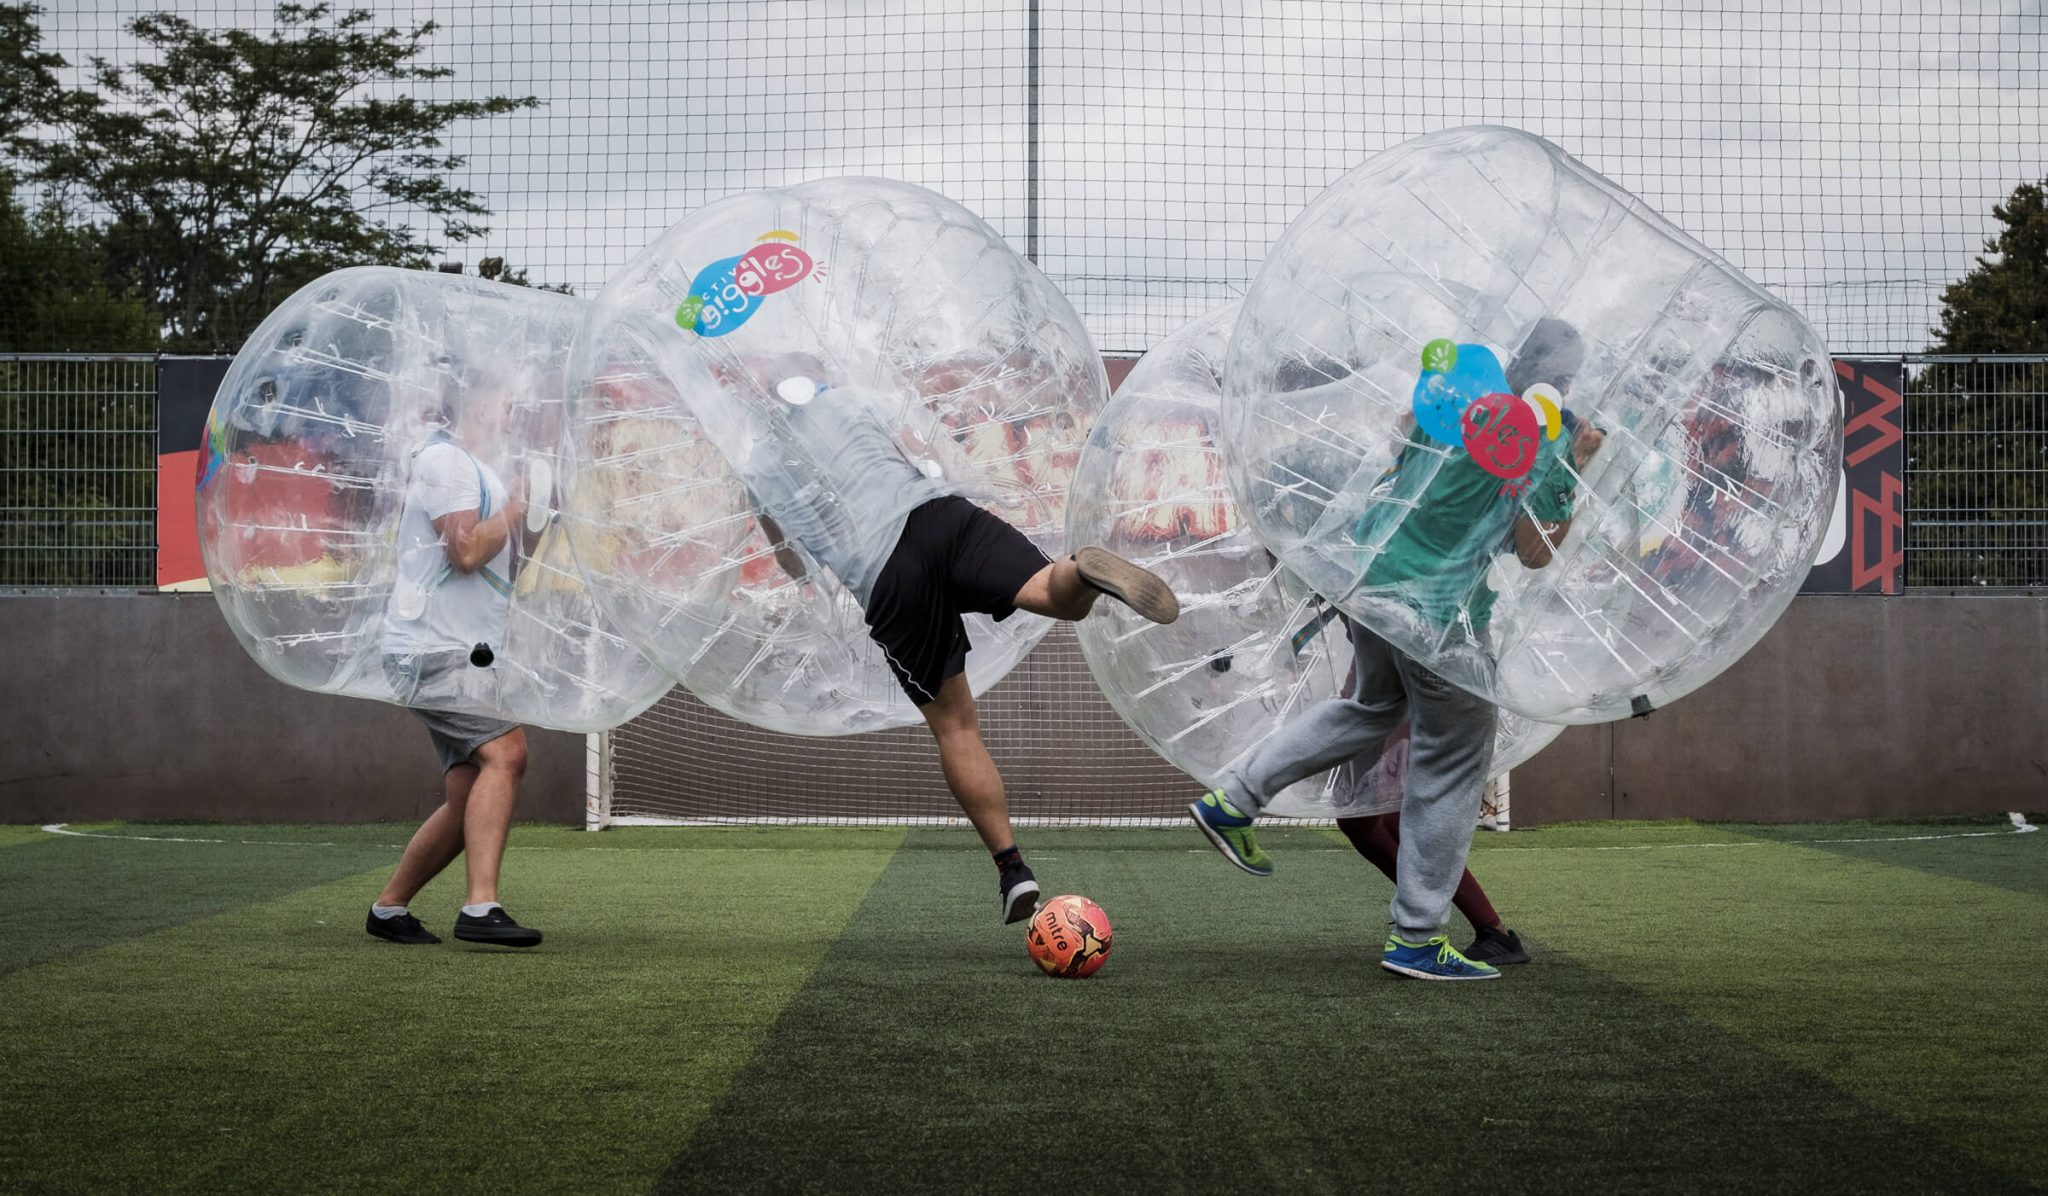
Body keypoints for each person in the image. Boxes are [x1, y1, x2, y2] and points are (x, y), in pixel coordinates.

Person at [1189, 319, 1599, 980]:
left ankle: (1233, 799)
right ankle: (1416, 938)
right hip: (1438, 616)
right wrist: (1572, 463)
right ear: (1565, 379)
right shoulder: (1542, 426)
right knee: (1451, 764)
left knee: (1365, 707)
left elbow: (1402, 458)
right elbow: (1533, 551)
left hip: (1371, 586)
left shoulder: (1458, 397)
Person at [745, 365, 1181, 924]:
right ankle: (1084, 572)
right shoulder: (853, 399)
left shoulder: (759, 466)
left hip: (887, 577)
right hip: (942, 518)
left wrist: (807, 570)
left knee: (956, 725)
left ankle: (1013, 870)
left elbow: (791, 556)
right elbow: (926, 450)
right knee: (1051, 589)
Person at [364, 386, 543, 949]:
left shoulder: (481, 469)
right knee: (508, 753)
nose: (512, 408)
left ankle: (388, 910)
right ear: (470, 402)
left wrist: (532, 517)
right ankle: (479, 907)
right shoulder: (447, 460)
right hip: (433, 649)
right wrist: (515, 508)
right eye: (501, 394)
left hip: (461, 650)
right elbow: (463, 552)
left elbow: (507, 561)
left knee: (469, 798)